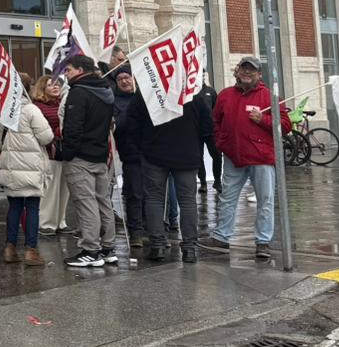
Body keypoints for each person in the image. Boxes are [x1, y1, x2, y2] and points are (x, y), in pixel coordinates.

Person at [204, 56, 287, 260]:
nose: (247, 73)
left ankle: (263, 242)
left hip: (261, 158)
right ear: (237, 72)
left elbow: (285, 125)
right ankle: (222, 237)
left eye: (252, 70)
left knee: (265, 200)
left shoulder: (269, 96)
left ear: (259, 74)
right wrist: (221, 142)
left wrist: (263, 120)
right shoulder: (225, 95)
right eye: (244, 69)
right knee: (227, 198)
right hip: (233, 156)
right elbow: (215, 121)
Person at [119, 89, 213, 264]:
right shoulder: (193, 92)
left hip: (154, 153)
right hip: (186, 153)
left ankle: (158, 245)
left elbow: (131, 123)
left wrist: (142, 147)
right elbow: (207, 126)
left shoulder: (149, 89)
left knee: (154, 198)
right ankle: (189, 248)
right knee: (187, 201)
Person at [59, 55, 118, 268]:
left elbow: (73, 127)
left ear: (80, 70)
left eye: (69, 69)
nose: (66, 73)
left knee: (86, 202)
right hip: (100, 154)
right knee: (103, 201)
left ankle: (90, 250)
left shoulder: (79, 92)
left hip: (81, 156)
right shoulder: (106, 90)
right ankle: (109, 247)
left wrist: (68, 152)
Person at [0, 95, 54, 265]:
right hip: (31, 166)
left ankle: (10, 248)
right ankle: (31, 251)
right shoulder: (31, 110)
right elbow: (46, 137)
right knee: (32, 207)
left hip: (10, 164)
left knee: (15, 206)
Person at [109, 64, 145, 245]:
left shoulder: (145, 96)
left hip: (150, 153)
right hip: (130, 154)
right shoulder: (114, 101)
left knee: (152, 195)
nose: (124, 81)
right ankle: (136, 232)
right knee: (134, 194)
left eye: (127, 77)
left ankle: (153, 229)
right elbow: (118, 126)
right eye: (120, 79)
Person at [30, 76, 69, 238]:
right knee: (50, 190)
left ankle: (61, 222)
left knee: (64, 190)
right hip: (48, 151)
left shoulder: (63, 103)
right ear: (42, 88)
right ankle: (46, 223)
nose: (55, 87)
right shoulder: (38, 107)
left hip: (64, 151)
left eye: (57, 84)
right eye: (50, 85)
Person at [196, 75, 221, 193]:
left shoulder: (211, 92)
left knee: (216, 155)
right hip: (195, 131)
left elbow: (217, 110)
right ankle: (203, 183)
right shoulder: (189, 92)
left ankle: (217, 181)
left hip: (211, 130)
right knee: (198, 157)